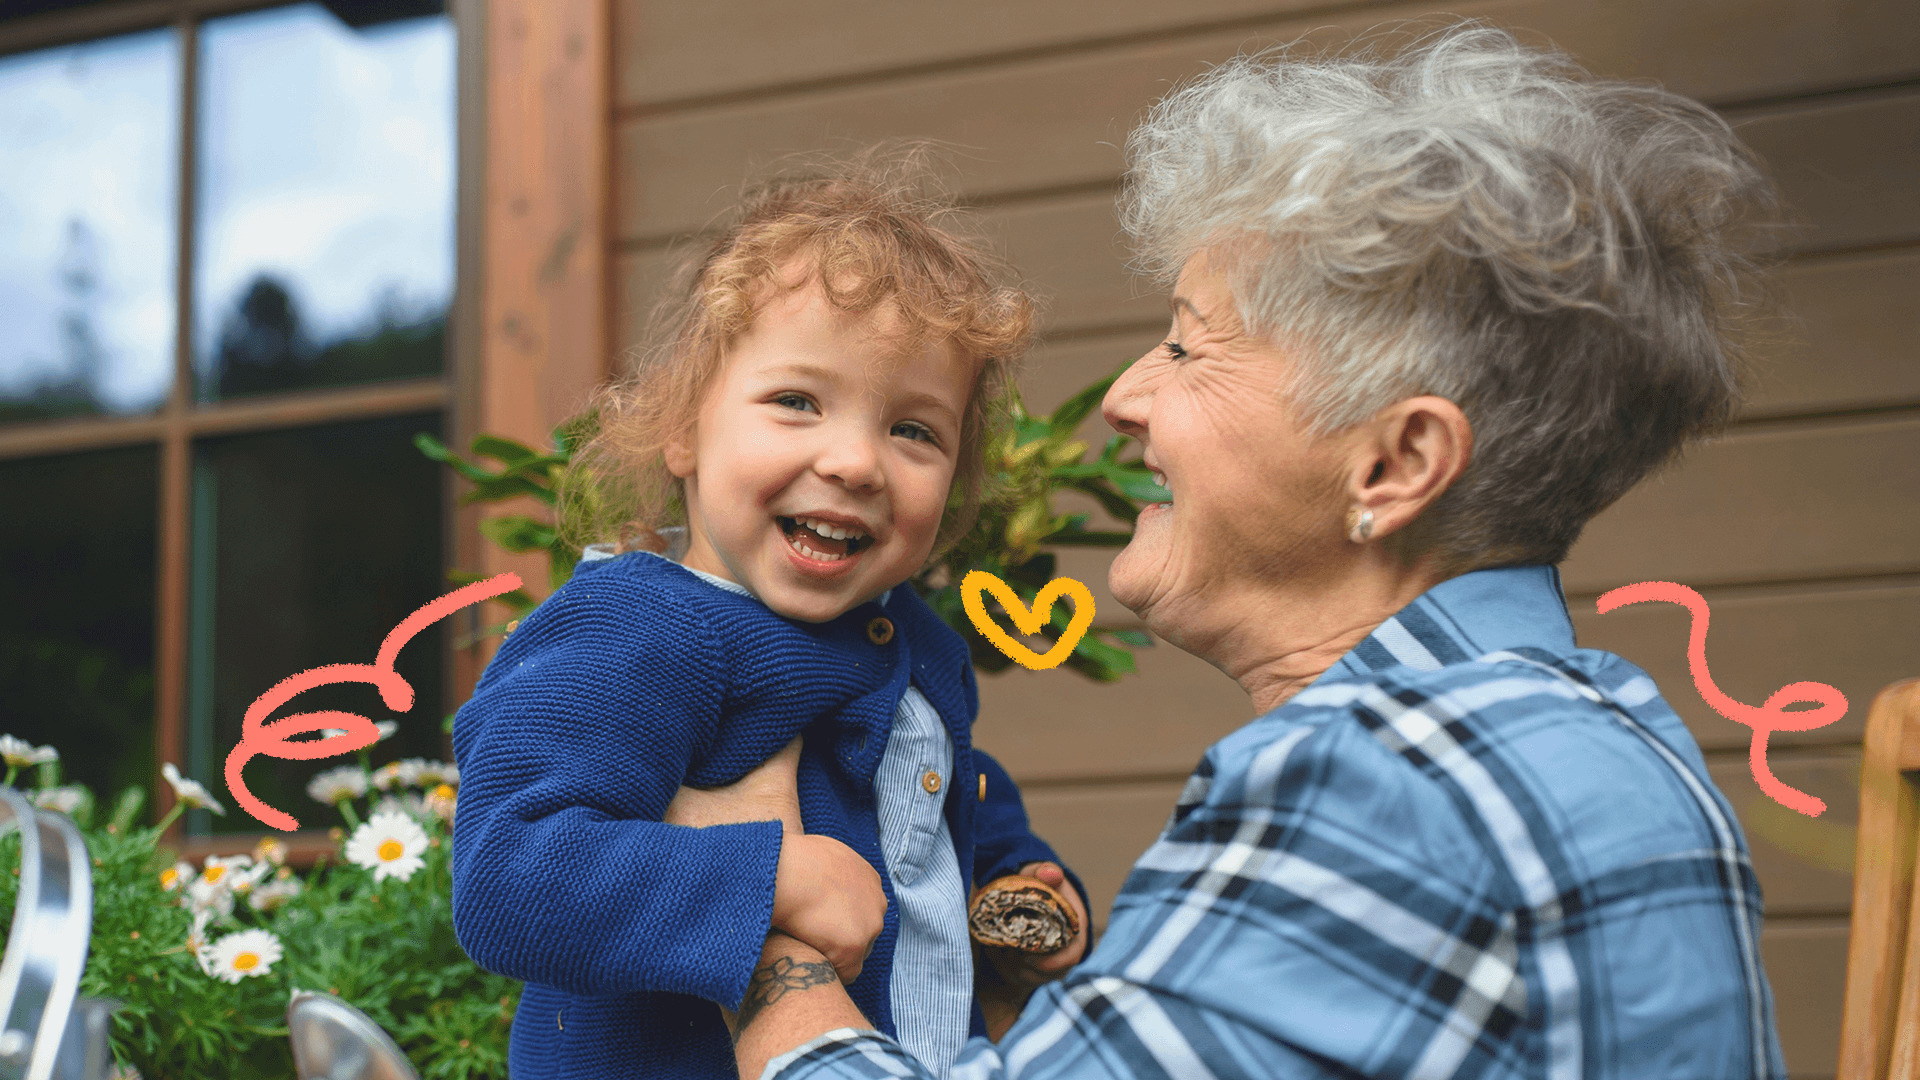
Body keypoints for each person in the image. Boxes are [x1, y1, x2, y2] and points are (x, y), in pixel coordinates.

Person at [700, 23, 1791, 1080]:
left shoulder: (1386, 776)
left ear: (1396, 462)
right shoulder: (1607, 725)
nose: (1124, 397)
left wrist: (762, 920)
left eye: (1187, 344)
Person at [449, 162, 1090, 1080]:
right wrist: (769, 881)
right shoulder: (639, 628)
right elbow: (511, 874)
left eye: (915, 431)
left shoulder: (905, 636)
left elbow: (941, 790)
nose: (857, 461)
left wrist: (1015, 887)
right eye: (798, 401)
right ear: (682, 428)